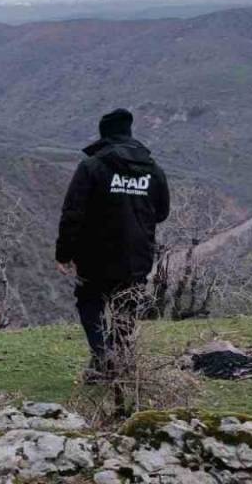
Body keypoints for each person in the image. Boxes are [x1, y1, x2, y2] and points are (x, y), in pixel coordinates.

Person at [55, 108, 169, 379]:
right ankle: (119, 360)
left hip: (95, 254)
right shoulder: (153, 170)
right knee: (126, 306)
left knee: (90, 303)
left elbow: (73, 213)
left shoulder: (92, 166)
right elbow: (162, 212)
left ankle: (103, 357)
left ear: (104, 134)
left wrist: (64, 254)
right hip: (137, 255)